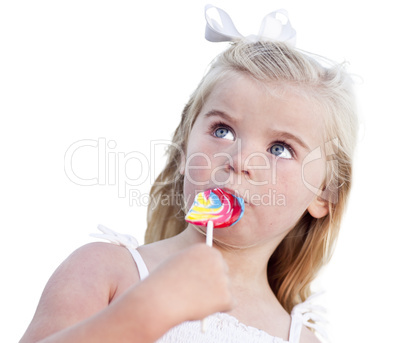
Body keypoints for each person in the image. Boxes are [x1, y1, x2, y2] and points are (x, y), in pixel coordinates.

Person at [20, 5, 358, 343]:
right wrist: (150, 308)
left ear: (323, 194)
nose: (239, 160)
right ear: (184, 147)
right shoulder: (104, 270)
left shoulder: (300, 338)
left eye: (279, 149)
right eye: (222, 130)